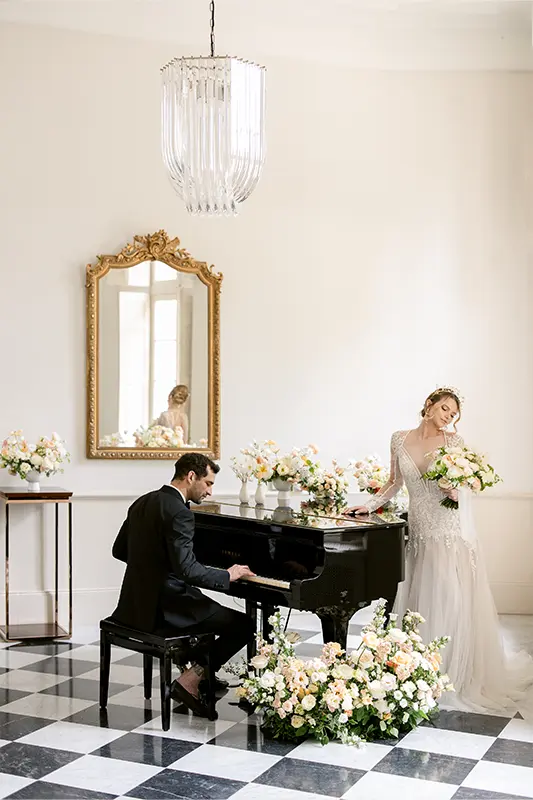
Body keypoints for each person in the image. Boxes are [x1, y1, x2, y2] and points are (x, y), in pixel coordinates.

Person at [345, 387, 533, 716]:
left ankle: (452, 672)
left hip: (448, 530)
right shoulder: (398, 438)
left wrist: (454, 489)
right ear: (430, 405)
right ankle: (416, 669)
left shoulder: (454, 444)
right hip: (419, 530)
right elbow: (394, 482)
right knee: (420, 598)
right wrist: (370, 504)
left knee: (451, 598)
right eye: (445, 409)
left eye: (453, 414)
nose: (448, 416)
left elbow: (465, 493)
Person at [111, 452, 256, 716]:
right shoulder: (181, 513)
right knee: (244, 625)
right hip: (168, 607)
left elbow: (119, 551)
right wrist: (227, 575)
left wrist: (156, 565)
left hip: (135, 604)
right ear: (191, 476)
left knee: (211, 617)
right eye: (208, 483)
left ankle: (196, 669)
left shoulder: (142, 502)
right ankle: (190, 679)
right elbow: (188, 569)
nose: (210, 492)